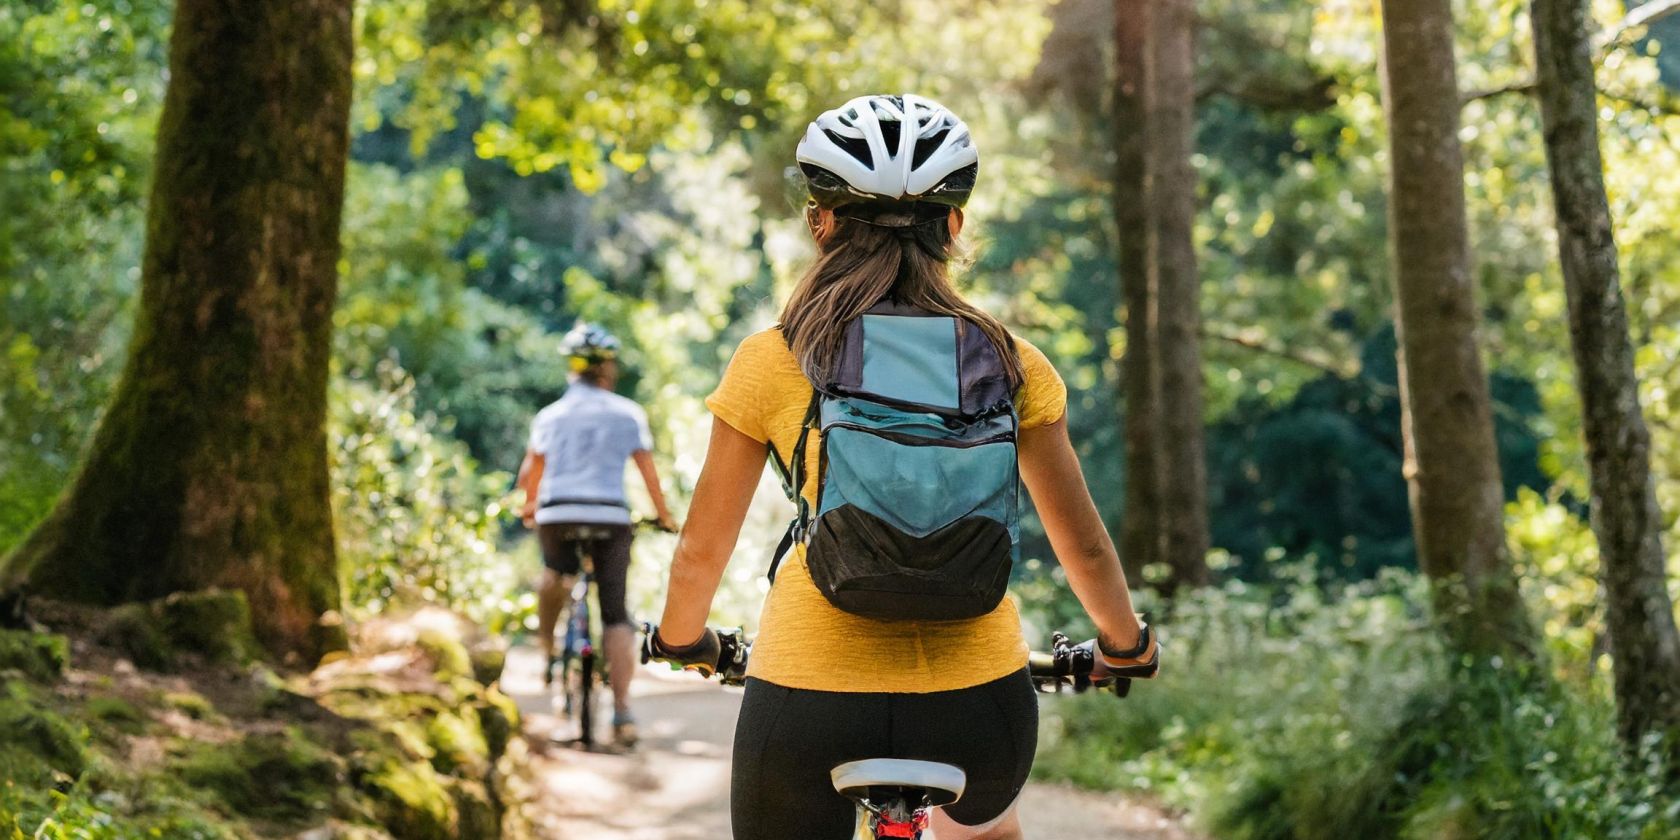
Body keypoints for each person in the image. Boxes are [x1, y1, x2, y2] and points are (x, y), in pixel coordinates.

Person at [643, 94, 1160, 839]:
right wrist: (1123, 646)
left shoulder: (775, 358)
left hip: (807, 700)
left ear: (820, 221)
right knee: (990, 829)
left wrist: (684, 639)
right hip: (979, 709)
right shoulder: (1013, 363)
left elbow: (700, 549)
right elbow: (1082, 544)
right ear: (954, 224)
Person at [518, 322, 676, 746]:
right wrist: (664, 517)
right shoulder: (628, 413)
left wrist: (530, 508)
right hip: (610, 517)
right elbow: (647, 472)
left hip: (558, 515)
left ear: (571, 369)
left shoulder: (549, 416)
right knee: (615, 611)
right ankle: (622, 714)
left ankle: (549, 653)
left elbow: (532, 472)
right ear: (607, 368)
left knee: (554, 574)